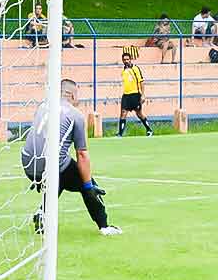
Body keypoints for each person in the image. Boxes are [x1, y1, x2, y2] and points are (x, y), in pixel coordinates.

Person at [21, 79, 122, 236]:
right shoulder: (76, 115)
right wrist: (88, 185)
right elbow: (82, 154)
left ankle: (42, 213)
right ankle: (104, 226)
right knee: (85, 182)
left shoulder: (43, 106)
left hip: (28, 163)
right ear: (73, 95)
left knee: (61, 175)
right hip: (50, 164)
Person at [117, 53, 153, 137]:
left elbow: (141, 82)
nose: (126, 61)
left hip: (135, 94)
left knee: (139, 114)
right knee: (123, 113)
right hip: (126, 95)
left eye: (127, 59)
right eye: (124, 60)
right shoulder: (124, 70)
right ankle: (120, 134)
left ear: (130, 59)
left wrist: (143, 95)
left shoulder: (135, 68)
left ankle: (149, 129)